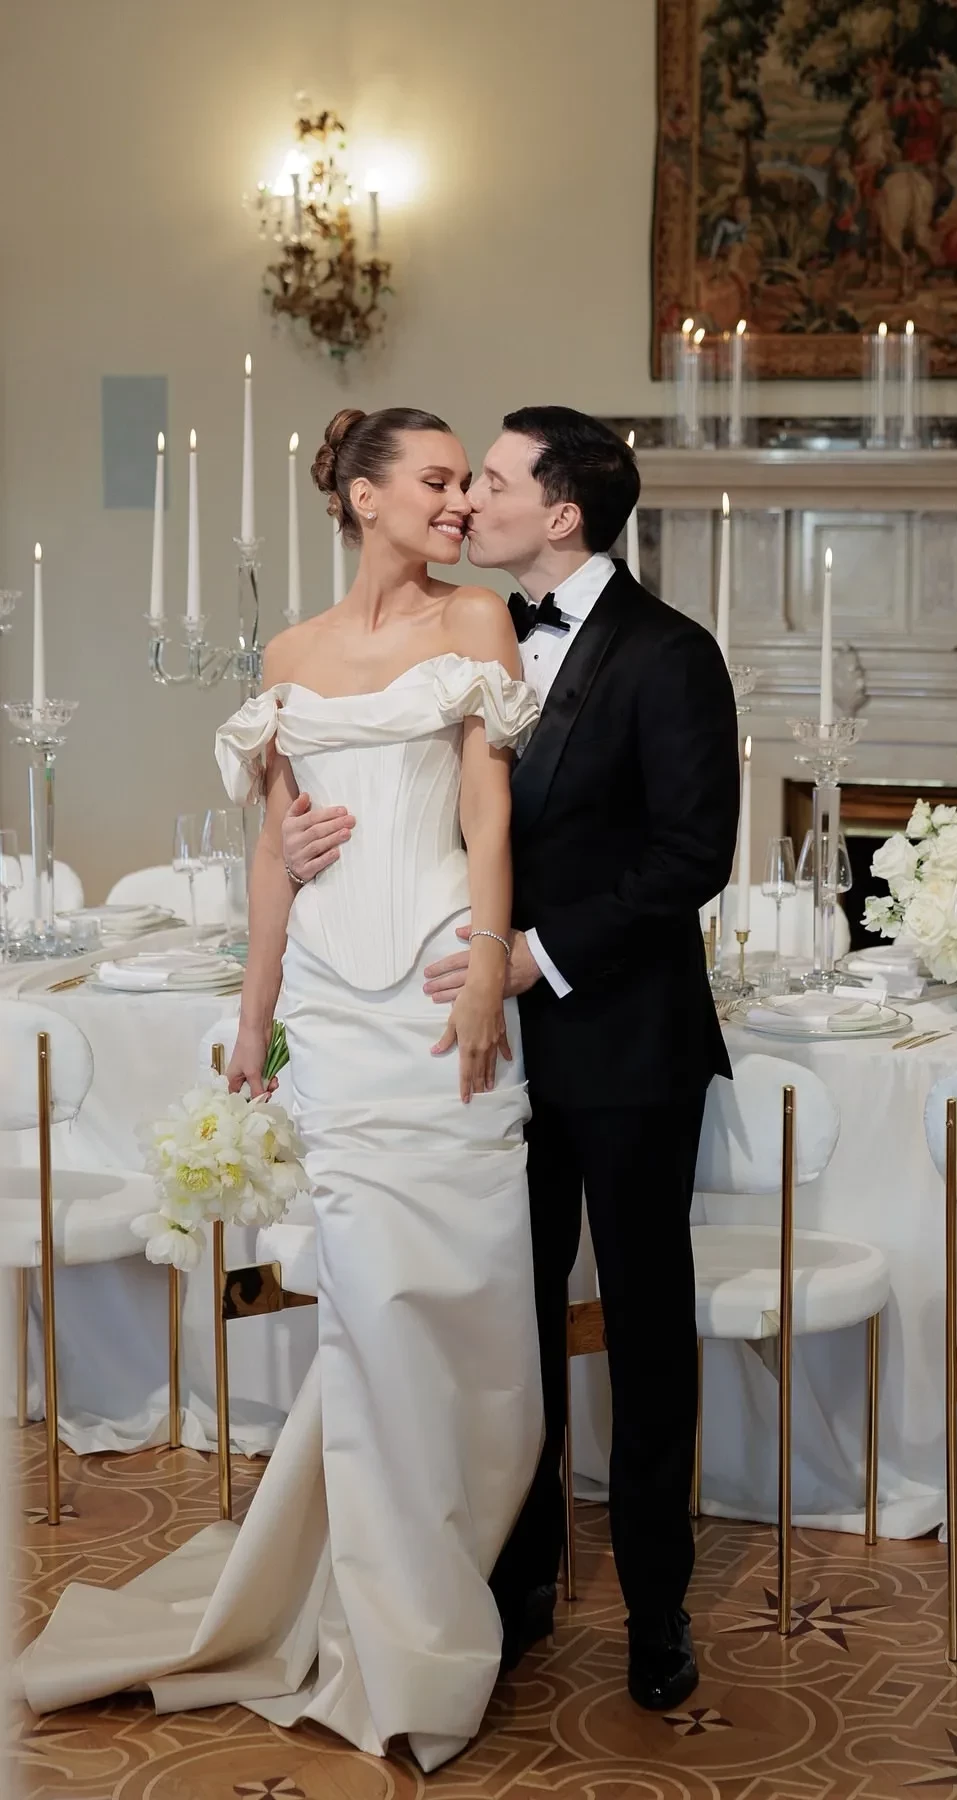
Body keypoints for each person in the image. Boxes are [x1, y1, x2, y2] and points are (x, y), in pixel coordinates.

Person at [20, 407, 544, 1771]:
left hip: (440, 994)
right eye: (436, 480)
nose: (459, 503)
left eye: (466, 484)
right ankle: (396, 1645)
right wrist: (254, 1026)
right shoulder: (289, 659)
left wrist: (490, 964)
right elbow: (273, 856)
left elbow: (488, 814)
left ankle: (414, 1585)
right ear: (364, 498)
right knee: (366, 1321)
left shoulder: (478, 624)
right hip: (331, 1012)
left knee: (475, 1323)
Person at [281, 406, 741, 1713]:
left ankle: (657, 1607)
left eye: (490, 479)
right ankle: (515, 1585)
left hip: (625, 1041)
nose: (469, 498)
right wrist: (309, 845)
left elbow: (692, 854)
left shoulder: (670, 653)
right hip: (473, 1051)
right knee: (508, 1324)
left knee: (644, 1327)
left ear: (562, 514)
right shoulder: (465, 630)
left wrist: (539, 954)